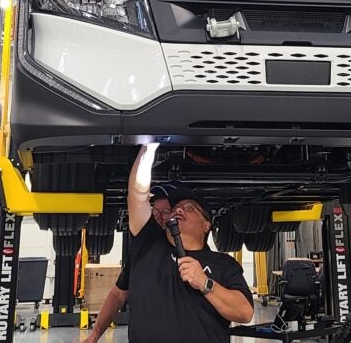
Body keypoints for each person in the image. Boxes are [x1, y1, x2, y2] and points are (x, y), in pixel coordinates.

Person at [121, 144, 253, 343]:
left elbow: (244, 313)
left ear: (206, 225)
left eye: (190, 208)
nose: (179, 210)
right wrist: (148, 147)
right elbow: (138, 196)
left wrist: (204, 282)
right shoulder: (148, 245)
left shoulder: (223, 264)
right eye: (177, 207)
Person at [82, 183, 178, 343]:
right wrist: (94, 335)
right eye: (156, 211)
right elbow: (118, 294)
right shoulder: (142, 251)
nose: (159, 216)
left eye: (166, 212)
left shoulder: (194, 252)